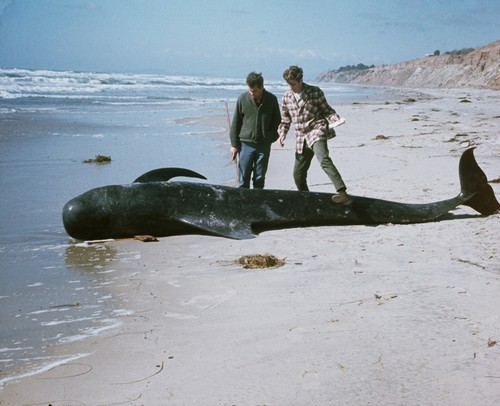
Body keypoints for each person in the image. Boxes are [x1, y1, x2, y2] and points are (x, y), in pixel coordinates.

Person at [278, 65, 352, 205]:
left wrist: (336, 119)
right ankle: (306, 198)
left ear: (300, 80)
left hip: (317, 131)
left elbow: (327, 111)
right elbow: (285, 120)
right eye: (289, 84)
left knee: (323, 159)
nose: (291, 87)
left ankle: (342, 193)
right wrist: (282, 134)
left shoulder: (315, 92)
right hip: (301, 137)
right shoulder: (286, 97)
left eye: (293, 84)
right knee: (298, 174)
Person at [230, 72, 281, 188]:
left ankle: (258, 204)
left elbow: (277, 122)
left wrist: (269, 138)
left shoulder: (272, 99)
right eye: (250, 91)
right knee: (243, 178)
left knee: (259, 177)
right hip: (245, 144)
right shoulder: (242, 99)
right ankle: (243, 203)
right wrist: (234, 145)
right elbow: (236, 123)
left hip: (264, 145)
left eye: (254, 91)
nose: (252, 93)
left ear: (262, 87)